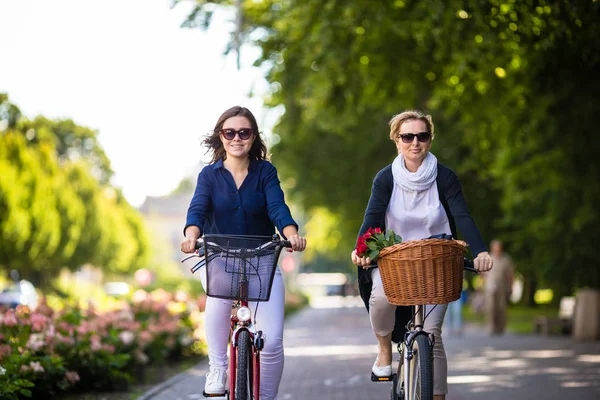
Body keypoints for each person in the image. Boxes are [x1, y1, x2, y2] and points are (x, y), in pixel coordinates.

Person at [351, 110, 493, 400]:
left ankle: (436, 395)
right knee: (379, 297)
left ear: (430, 139)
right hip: (395, 261)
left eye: (422, 136)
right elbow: (373, 216)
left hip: (437, 261)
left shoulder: (445, 177)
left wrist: (480, 251)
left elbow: (462, 216)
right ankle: (383, 349)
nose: (415, 142)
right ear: (397, 141)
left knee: (432, 334)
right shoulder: (386, 178)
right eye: (407, 136)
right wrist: (362, 250)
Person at [181, 106, 306, 399]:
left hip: (263, 259)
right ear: (220, 137)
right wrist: (190, 237)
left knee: (273, 340)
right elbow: (196, 211)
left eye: (244, 132)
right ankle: (218, 368)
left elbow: (277, 207)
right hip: (219, 259)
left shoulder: (266, 172)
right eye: (230, 132)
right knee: (218, 298)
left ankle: (267, 397)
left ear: (253, 137)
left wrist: (291, 235)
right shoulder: (209, 176)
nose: (237, 138)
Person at [483, 239, 514, 335]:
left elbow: (511, 274)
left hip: (502, 286)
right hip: (490, 286)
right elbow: (482, 272)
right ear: (492, 248)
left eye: (498, 247)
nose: (497, 249)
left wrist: (510, 286)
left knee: (501, 307)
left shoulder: (505, 259)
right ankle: (491, 327)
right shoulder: (488, 258)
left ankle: (501, 327)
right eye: (495, 247)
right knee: (491, 307)